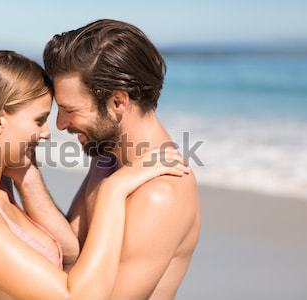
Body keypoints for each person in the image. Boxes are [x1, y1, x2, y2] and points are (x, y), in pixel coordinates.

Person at [0, 50, 190, 300]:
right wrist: (113, 189)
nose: (48, 131)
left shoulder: (0, 194)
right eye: (39, 120)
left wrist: (28, 176)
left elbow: (71, 255)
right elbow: (75, 296)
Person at [22, 19, 201, 300]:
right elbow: (72, 249)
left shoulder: (160, 194)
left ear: (118, 103)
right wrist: (25, 173)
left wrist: (112, 190)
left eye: (70, 109)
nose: (60, 124)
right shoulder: (108, 159)